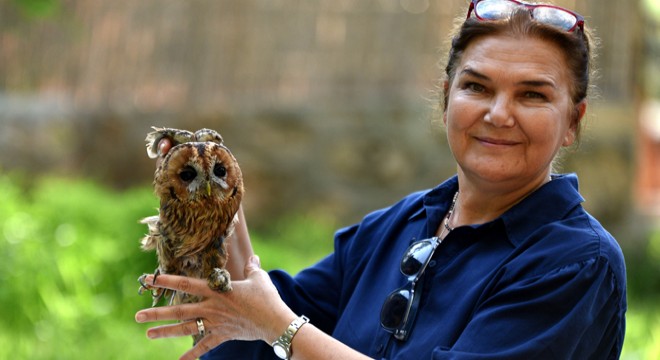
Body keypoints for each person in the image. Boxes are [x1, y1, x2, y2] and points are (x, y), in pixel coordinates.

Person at [135, 0, 627, 359]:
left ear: (574, 122)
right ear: (446, 99)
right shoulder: (398, 225)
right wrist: (220, 212)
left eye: (533, 95)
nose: (498, 114)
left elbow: (276, 323)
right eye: (477, 86)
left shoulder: (575, 264)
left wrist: (279, 327)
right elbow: (258, 321)